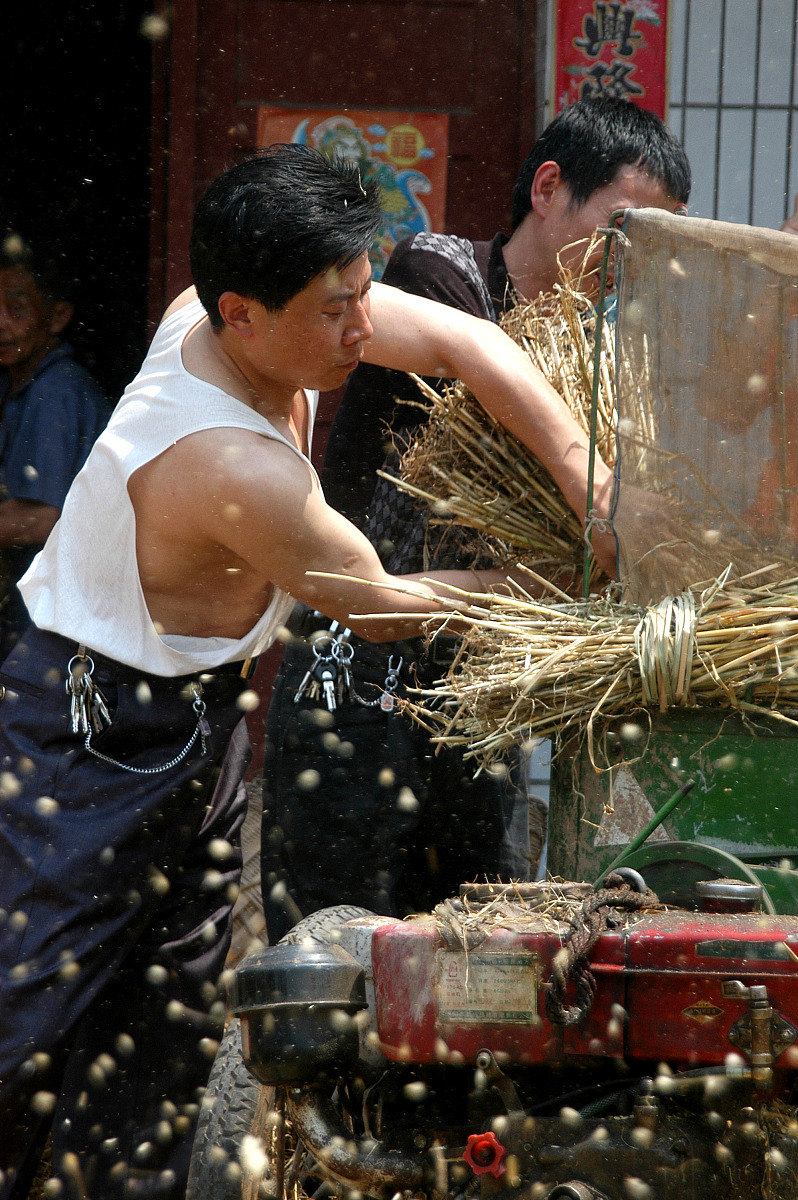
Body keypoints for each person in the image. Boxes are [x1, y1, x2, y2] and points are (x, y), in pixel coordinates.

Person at [0, 144, 630, 1199]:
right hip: (84, 726)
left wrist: (592, 483)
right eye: (333, 311)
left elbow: (476, 344)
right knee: (24, 1021)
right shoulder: (227, 464)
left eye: (360, 296)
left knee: (161, 1036)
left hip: (198, 726)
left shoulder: (241, 318)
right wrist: (553, 585)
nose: (360, 329)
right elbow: (382, 606)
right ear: (240, 312)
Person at [261, 97, 692, 941]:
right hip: (358, 656)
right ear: (547, 187)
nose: (628, 261)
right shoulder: (438, 273)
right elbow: (511, 418)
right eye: (621, 228)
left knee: (468, 923)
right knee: (341, 928)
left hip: (471, 671)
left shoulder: (597, 345)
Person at [0, 235, 111, 660]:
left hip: (59, 613)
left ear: (57, 316)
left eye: (17, 308)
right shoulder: (20, 385)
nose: (1, 322)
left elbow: (43, 518)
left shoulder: (57, 390)